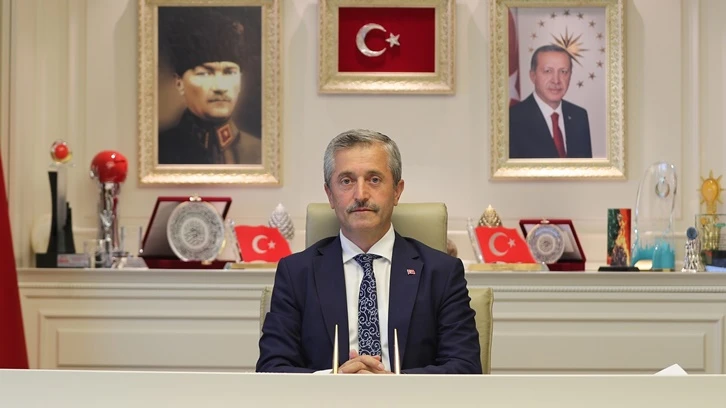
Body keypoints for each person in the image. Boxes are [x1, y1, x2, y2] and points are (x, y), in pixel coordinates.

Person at [256, 129, 482, 374]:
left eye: (374, 179)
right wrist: (335, 378)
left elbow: (465, 368)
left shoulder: (441, 272)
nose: (361, 195)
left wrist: (393, 384)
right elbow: (272, 368)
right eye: (346, 181)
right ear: (330, 195)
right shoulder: (296, 273)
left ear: (397, 191)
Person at [157, 8, 261, 165]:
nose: (220, 87)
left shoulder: (260, 153)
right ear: (179, 83)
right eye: (204, 74)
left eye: (229, 72)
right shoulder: (158, 150)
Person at [509, 45, 592, 159]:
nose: (556, 80)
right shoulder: (512, 120)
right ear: (533, 76)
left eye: (563, 72)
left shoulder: (579, 116)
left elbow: (586, 168)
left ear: (570, 76)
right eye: (548, 71)